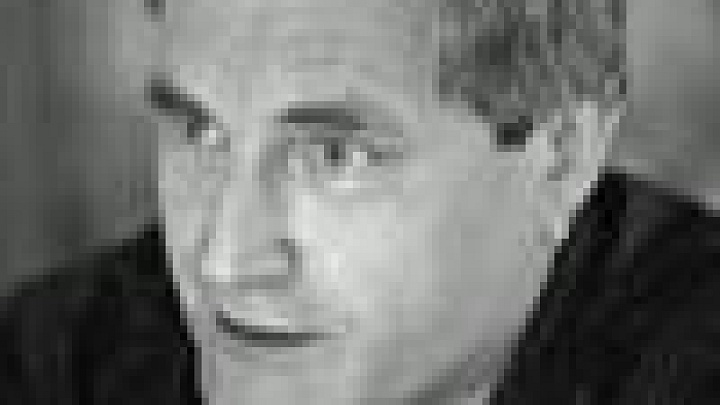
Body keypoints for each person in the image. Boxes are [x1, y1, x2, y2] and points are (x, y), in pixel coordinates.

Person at [2, 1, 718, 404]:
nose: (223, 262)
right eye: (200, 132)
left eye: (334, 156)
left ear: (563, 157)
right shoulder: (56, 359)